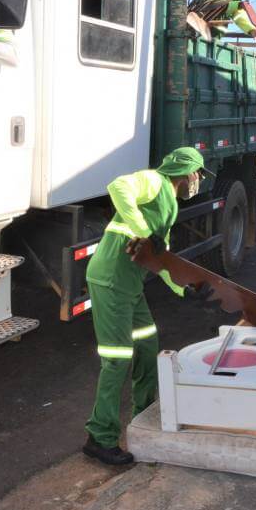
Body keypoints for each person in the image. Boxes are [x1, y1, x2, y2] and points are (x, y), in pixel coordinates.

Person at [82, 147, 214, 465]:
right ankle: (99, 437)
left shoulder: (167, 206)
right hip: (111, 280)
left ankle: (144, 413)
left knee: (147, 344)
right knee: (117, 360)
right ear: (185, 172)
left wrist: (185, 290)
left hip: (130, 285)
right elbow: (118, 187)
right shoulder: (153, 181)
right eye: (197, 173)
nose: (197, 180)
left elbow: (159, 261)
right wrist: (143, 230)